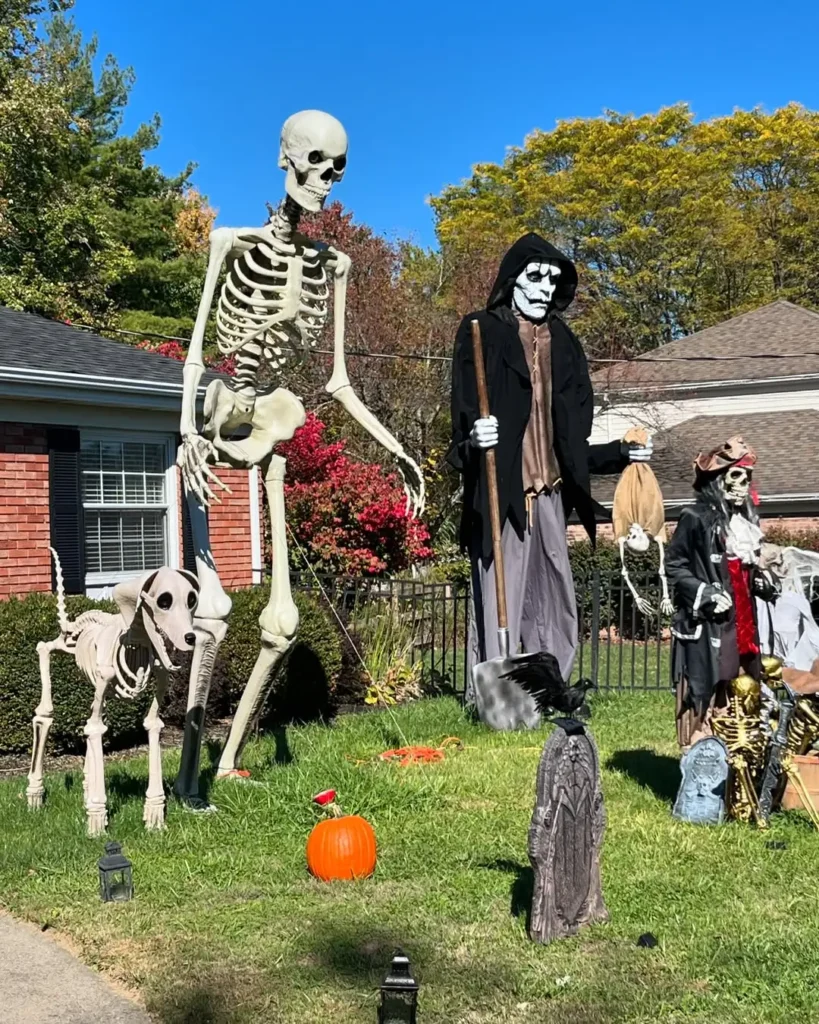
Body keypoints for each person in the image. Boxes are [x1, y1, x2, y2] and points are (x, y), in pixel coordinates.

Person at [448, 233, 651, 692]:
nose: (543, 288)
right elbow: (460, 431)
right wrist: (475, 440)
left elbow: (570, 443)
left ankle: (549, 687)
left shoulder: (563, 342)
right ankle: (498, 695)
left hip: (551, 496)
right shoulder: (481, 329)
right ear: (513, 279)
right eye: (534, 277)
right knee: (505, 591)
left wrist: (620, 452)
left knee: (554, 592)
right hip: (503, 495)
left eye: (552, 280)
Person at [665, 436, 778, 747]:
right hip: (710, 627)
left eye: (748, 478)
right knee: (709, 695)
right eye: (736, 476)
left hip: (744, 628)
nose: (744, 485)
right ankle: (703, 768)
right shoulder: (695, 518)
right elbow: (674, 565)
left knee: (745, 690)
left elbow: (744, 572)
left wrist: (759, 581)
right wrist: (706, 592)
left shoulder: (745, 523)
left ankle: (740, 773)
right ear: (717, 481)